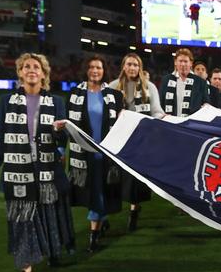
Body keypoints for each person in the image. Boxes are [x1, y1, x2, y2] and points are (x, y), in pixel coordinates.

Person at [0, 53, 75, 272]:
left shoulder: (56, 102)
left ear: (44, 74)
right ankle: (26, 267)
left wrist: (58, 132)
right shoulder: (7, 101)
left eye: (36, 67)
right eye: (27, 67)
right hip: (18, 169)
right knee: (22, 217)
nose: (31, 70)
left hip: (46, 167)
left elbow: (63, 139)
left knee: (50, 213)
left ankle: (54, 254)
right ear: (20, 72)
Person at [65, 55, 124, 252]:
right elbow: (67, 124)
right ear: (86, 70)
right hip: (83, 155)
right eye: (91, 67)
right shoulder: (74, 94)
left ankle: (94, 237)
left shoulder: (114, 96)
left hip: (105, 154)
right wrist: (59, 148)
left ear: (104, 70)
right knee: (93, 192)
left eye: (98, 67)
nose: (95, 71)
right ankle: (101, 219)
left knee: (98, 193)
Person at [109, 53, 165, 231]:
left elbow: (156, 111)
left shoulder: (149, 87)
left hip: (141, 140)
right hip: (119, 139)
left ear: (140, 68)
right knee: (118, 176)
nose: (132, 68)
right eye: (129, 64)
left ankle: (133, 211)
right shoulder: (112, 87)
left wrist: (161, 119)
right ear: (124, 66)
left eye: (135, 65)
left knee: (135, 178)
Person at [159, 48, 210, 117]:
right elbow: (160, 103)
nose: (183, 64)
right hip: (170, 123)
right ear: (175, 62)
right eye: (180, 61)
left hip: (192, 124)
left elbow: (206, 103)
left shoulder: (200, 82)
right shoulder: (166, 80)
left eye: (186, 61)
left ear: (191, 63)